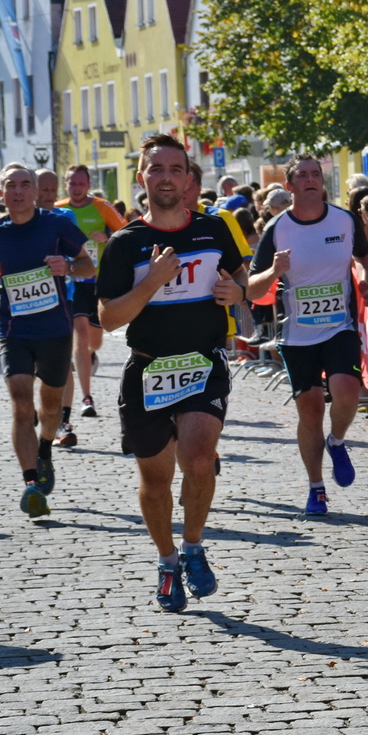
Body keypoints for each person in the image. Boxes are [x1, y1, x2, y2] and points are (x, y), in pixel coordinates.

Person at [96, 134, 246, 611]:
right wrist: (154, 283)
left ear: (187, 178)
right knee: (156, 481)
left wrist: (236, 294)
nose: (165, 176)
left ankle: (195, 547)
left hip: (202, 363)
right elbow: (108, 318)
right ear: (142, 177)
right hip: (147, 371)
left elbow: (241, 279)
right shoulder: (126, 244)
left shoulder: (212, 229)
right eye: (155, 168)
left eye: (174, 168)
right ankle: (167, 560)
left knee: (200, 459)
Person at [246, 155, 368, 515]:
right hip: (296, 334)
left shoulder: (345, 219)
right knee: (310, 410)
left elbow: (365, 258)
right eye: (301, 175)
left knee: (347, 393)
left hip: (339, 326)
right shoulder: (277, 228)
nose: (309, 179)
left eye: (315, 174)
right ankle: (316, 488)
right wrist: (273, 270)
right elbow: (253, 291)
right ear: (289, 186)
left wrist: (366, 282)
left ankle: (337, 441)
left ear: (322, 181)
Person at [0, 163, 92, 518]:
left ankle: (45, 446)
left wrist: (68, 268)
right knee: (20, 404)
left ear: (35, 191)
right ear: (1, 193)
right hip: (15, 332)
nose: (17, 191)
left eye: (24, 184)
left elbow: (87, 264)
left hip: (55, 330)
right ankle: (31, 484)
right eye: (10, 185)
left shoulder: (56, 224)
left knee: (48, 407)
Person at [55, 163, 126, 439]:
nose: (76, 188)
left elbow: (126, 234)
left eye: (81, 183)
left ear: (88, 184)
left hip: (100, 281)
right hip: (75, 282)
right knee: (80, 335)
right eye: (72, 184)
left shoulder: (102, 207)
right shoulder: (60, 209)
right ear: (66, 185)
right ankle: (87, 398)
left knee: (94, 341)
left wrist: (106, 237)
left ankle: (91, 356)